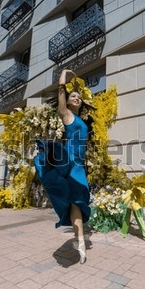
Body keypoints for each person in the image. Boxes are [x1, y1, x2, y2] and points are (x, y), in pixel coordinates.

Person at [34, 69, 92, 264]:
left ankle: (80, 242)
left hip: (79, 164)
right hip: (69, 161)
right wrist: (63, 77)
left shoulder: (82, 121)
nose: (76, 98)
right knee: (77, 199)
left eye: (79, 97)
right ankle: (80, 239)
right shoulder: (67, 115)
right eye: (73, 96)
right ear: (67, 101)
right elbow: (61, 94)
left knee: (78, 202)